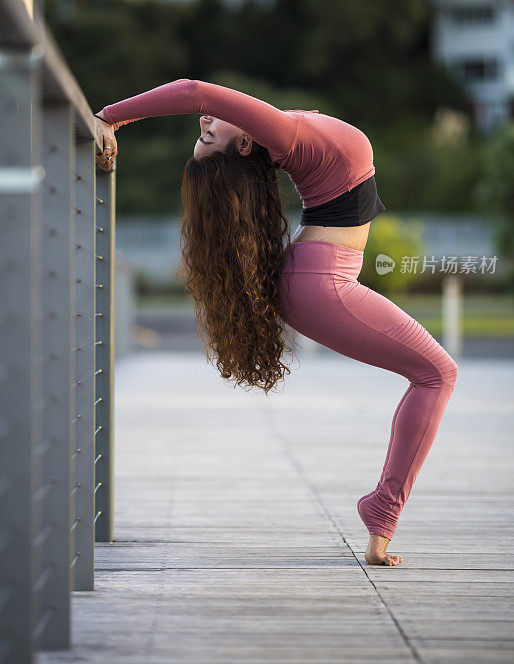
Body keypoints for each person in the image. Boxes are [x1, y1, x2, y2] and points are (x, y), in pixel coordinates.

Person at [94, 78, 458, 567]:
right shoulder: (280, 133)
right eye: (207, 136)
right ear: (243, 143)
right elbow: (195, 90)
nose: (203, 122)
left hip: (316, 278)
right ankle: (384, 513)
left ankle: (382, 513)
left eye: (204, 132)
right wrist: (111, 117)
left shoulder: (277, 140)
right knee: (437, 374)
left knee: (434, 375)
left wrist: (117, 118)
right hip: (323, 286)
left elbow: (201, 98)